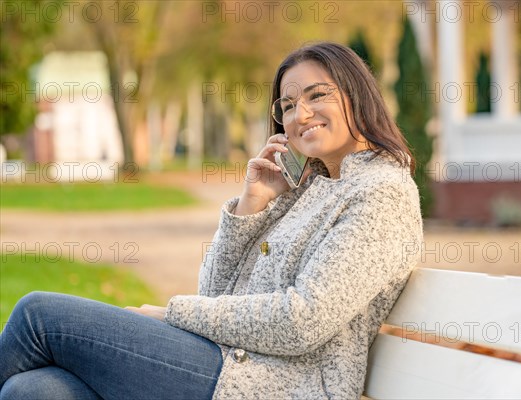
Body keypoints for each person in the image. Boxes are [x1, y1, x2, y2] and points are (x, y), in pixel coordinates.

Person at [0, 41, 423, 399]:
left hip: (280, 385)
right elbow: (216, 291)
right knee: (34, 390)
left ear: (356, 94)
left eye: (317, 96)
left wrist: (171, 313)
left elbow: (302, 320)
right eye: (289, 105)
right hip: (227, 364)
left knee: (37, 315)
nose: (301, 114)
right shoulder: (308, 189)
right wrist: (251, 205)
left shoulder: (380, 193)